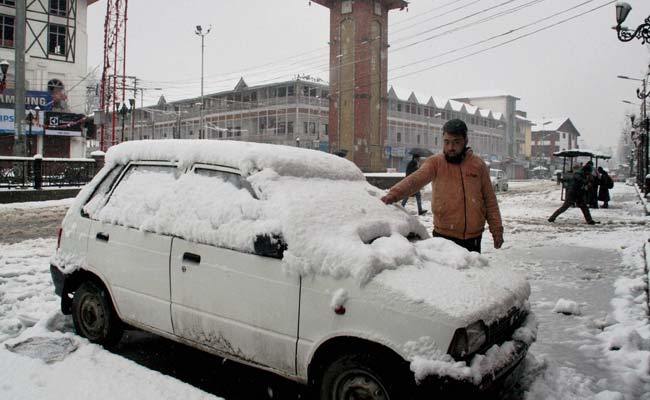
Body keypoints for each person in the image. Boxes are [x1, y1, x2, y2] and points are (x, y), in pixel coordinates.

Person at [381, 119, 503, 253]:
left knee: (470, 273)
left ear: (465, 141)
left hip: (473, 238)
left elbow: (489, 200)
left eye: (456, 142)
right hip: (444, 238)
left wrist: (496, 230)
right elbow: (415, 180)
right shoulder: (435, 163)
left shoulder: (478, 165)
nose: (451, 147)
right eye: (447, 142)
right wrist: (393, 195)